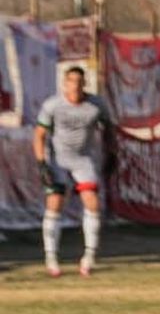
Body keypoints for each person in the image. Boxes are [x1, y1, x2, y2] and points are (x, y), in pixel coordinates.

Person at [32, 66, 117, 277]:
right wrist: (42, 163)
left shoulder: (96, 105)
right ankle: (51, 258)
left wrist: (112, 154)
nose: (75, 86)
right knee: (55, 202)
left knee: (93, 203)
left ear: (84, 83)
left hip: (83, 160)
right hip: (58, 160)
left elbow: (109, 131)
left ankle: (88, 257)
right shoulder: (53, 105)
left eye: (79, 82)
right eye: (71, 81)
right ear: (65, 83)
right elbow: (40, 135)